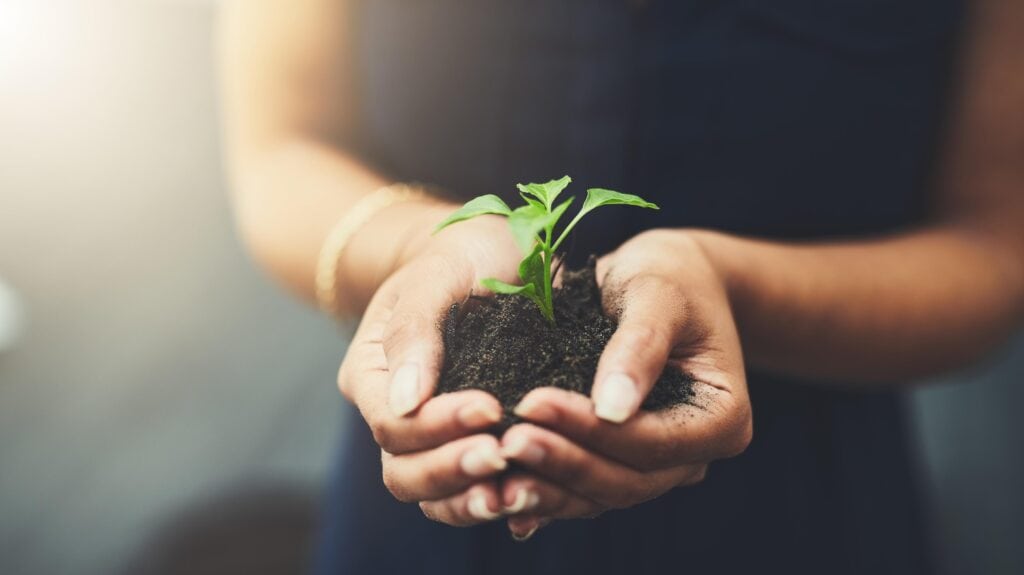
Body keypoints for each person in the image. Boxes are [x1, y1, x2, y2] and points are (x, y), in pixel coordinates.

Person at [218, 1, 1024, 573]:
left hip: (797, 499)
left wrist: (727, 284)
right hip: (442, 449)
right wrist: (421, 244)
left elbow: (995, 243)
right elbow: (284, 150)